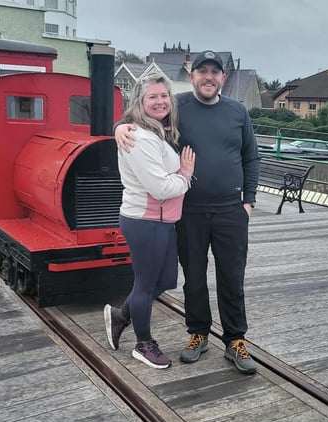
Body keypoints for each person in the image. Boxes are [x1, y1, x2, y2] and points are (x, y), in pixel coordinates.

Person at [115, 50, 260, 374]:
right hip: (190, 212)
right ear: (192, 75)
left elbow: (252, 159)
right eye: (202, 71)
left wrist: (248, 202)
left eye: (215, 72)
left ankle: (235, 340)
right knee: (193, 277)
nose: (208, 77)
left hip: (230, 211)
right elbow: (141, 117)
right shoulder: (177, 107)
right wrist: (119, 127)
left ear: (223, 78)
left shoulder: (238, 111)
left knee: (231, 278)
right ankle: (197, 333)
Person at [104, 72, 195, 370]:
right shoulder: (141, 138)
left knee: (165, 280)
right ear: (140, 103)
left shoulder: (157, 132)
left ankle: (121, 316)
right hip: (146, 220)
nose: (160, 101)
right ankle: (143, 345)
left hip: (162, 221)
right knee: (145, 284)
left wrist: (176, 176)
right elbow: (160, 188)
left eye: (164, 95)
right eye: (152, 97)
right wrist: (184, 175)